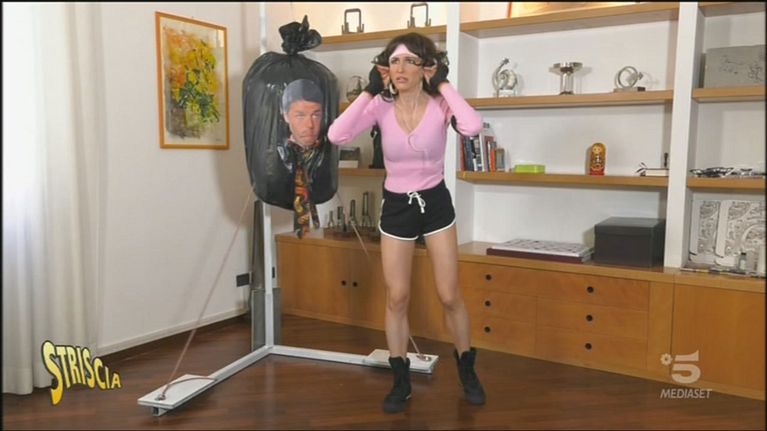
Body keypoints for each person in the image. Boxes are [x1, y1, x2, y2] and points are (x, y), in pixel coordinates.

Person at [327, 32, 485, 413]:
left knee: (449, 294)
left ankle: (467, 370)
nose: (399, 68)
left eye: (409, 61)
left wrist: (443, 84)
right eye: (394, 61)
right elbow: (336, 134)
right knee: (397, 296)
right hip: (397, 206)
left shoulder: (440, 104)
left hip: (435, 203)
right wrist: (368, 91)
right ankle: (401, 381)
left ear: (425, 68)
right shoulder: (380, 106)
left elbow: (472, 126)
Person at [279, 79, 327, 238]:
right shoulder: (279, 156)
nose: (310, 125)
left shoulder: (324, 152)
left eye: (316, 115)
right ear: (286, 116)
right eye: (300, 115)